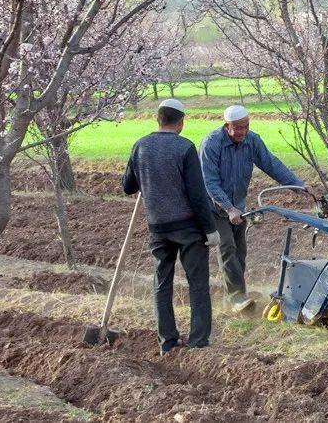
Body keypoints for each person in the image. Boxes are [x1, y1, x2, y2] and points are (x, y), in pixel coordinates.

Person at [122, 98, 220, 353]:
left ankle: (167, 340)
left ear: (158, 119)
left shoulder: (140, 146)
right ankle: (198, 340)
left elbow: (127, 187)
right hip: (188, 228)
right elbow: (198, 194)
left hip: (158, 227)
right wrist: (210, 229)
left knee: (161, 282)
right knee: (197, 283)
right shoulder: (185, 148)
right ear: (181, 122)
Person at [199, 104, 303, 312]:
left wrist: (298, 186)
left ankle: (238, 294)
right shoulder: (211, 144)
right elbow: (209, 182)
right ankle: (237, 298)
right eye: (237, 128)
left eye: (245, 126)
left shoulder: (252, 141)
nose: (242, 132)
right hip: (214, 207)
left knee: (240, 252)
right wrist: (228, 208)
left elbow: (271, 164)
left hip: (239, 205)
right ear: (227, 125)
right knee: (227, 247)